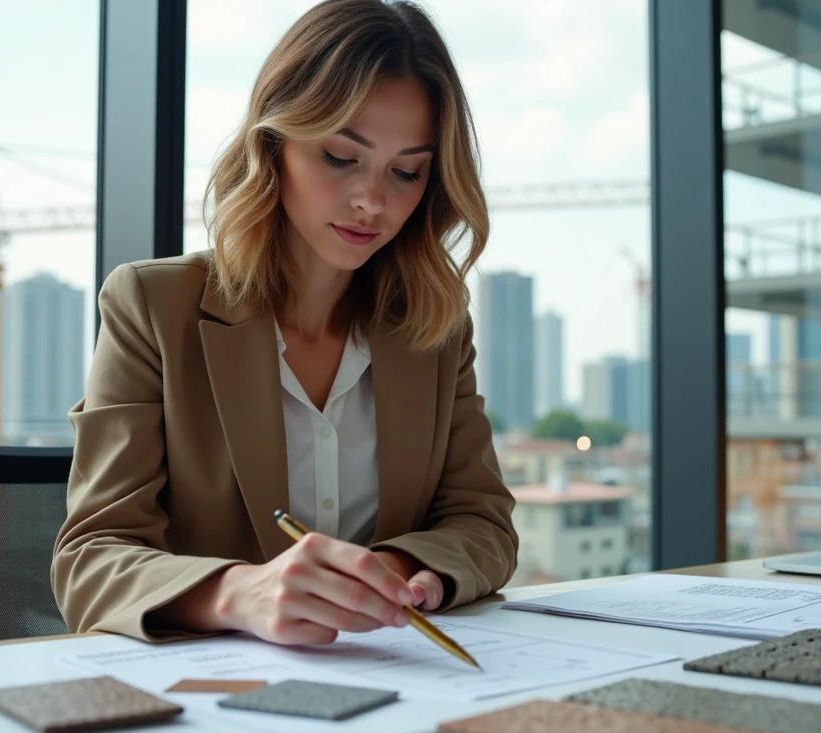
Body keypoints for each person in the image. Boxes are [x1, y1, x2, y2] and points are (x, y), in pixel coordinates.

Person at [51, 0, 518, 645]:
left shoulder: (435, 330)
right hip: (209, 702)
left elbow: (483, 523)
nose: (372, 201)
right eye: (339, 157)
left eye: (406, 172)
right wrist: (241, 592)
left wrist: (395, 572)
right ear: (273, 143)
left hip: (397, 691)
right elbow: (91, 559)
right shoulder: (152, 307)